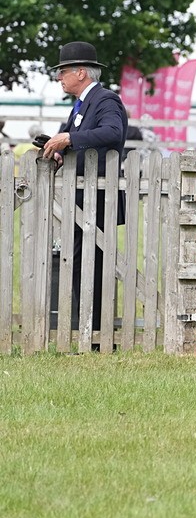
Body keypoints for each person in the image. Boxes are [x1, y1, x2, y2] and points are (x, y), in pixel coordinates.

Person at [40, 41, 129, 341]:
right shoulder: (80, 105)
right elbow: (80, 142)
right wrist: (60, 152)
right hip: (83, 198)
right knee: (80, 266)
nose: (59, 77)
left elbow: (113, 132)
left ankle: (98, 336)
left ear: (81, 72)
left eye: (63, 71)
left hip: (99, 199)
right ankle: (90, 332)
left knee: (94, 268)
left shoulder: (105, 100)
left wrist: (68, 139)